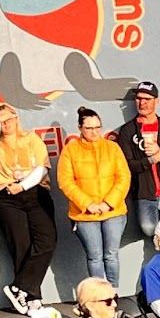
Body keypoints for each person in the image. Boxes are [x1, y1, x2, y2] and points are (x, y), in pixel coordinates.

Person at [0, 104, 56, 314]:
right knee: (21, 245)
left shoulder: (32, 138)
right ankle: (32, 298)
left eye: (9, 119)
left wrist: (22, 186)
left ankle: (19, 287)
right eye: (0, 121)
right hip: (7, 197)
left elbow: (42, 167)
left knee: (47, 241)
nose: (6, 124)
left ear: (17, 118)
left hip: (34, 192)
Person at [57, 107, 130, 286]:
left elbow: (124, 177)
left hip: (113, 211)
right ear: (80, 128)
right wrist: (87, 204)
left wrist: (108, 203)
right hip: (84, 214)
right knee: (95, 257)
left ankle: (113, 293)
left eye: (98, 127)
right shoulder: (70, 150)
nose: (95, 132)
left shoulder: (112, 148)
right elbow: (66, 182)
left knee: (111, 255)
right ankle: (98, 295)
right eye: (89, 128)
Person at [115, 79, 160, 239]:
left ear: (157, 101)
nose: (142, 103)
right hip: (144, 194)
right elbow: (127, 166)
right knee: (148, 230)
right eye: (139, 99)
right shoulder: (128, 131)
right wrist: (152, 159)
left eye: (147, 99)